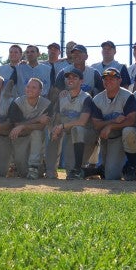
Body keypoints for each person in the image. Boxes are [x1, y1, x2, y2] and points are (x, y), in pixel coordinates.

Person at [47, 44, 103, 179]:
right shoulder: (64, 72)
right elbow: (55, 94)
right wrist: (55, 124)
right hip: (66, 117)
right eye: (73, 53)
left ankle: (84, 167)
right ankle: (49, 170)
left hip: (84, 121)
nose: (76, 55)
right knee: (53, 132)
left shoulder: (94, 73)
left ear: (86, 56)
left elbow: (101, 95)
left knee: (78, 131)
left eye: (79, 53)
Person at [91, 67, 136, 180]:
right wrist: (112, 121)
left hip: (122, 135)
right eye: (105, 79)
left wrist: (111, 126)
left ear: (119, 80)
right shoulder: (97, 99)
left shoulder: (128, 96)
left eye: (112, 79)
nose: (108, 81)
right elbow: (96, 125)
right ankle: (100, 167)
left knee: (111, 175)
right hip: (106, 137)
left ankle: (131, 167)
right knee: (110, 175)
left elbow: (131, 121)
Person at [8, 78, 52, 179]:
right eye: (28, 86)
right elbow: (16, 126)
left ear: (40, 91)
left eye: (34, 87)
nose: (29, 89)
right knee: (23, 172)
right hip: (21, 138)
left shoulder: (46, 104)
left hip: (37, 141)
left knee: (37, 132)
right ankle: (14, 165)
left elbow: (41, 127)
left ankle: (34, 168)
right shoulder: (17, 102)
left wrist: (23, 126)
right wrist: (37, 119)